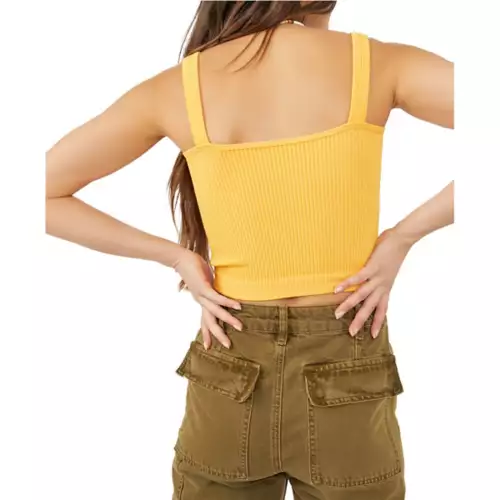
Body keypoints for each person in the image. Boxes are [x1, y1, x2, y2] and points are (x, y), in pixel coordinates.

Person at [45, 1, 454, 499]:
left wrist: (177, 257)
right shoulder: (378, 63)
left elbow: (39, 192)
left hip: (231, 358)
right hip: (346, 354)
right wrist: (403, 236)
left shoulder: (178, 86)